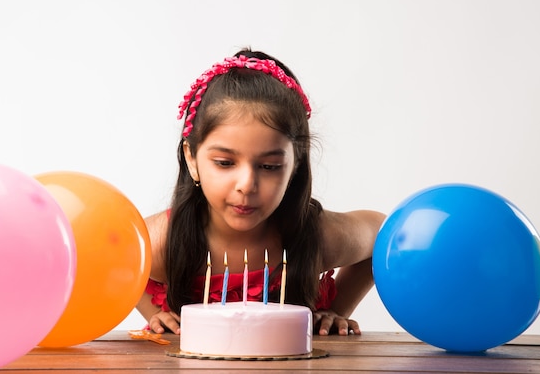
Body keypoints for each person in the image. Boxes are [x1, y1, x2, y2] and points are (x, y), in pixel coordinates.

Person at [136, 48, 385, 336]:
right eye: (225, 163)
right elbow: (109, 255)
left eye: (269, 166)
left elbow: (383, 235)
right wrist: (156, 315)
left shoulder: (316, 235)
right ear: (192, 159)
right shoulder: (160, 242)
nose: (246, 184)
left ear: (295, 164)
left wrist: (335, 313)